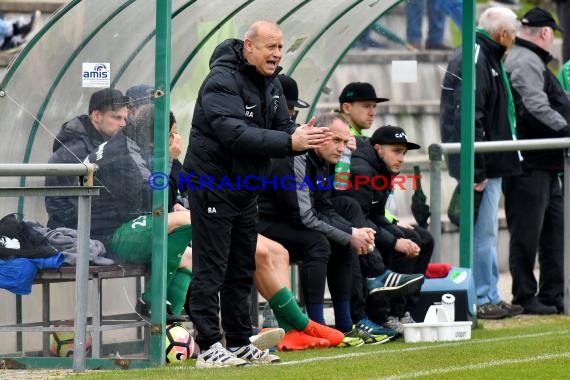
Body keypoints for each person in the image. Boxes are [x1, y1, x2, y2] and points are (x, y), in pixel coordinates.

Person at [181, 20, 327, 368]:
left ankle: (238, 341)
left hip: (246, 187)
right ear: (249, 47)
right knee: (212, 267)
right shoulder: (220, 81)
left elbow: (279, 128)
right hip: (212, 183)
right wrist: (289, 141)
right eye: (270, 47)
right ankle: (208, 346)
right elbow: (234, 133)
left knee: (241, 267)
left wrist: (300, 134)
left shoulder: (272, 83)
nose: (277, 54)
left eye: (280, 47)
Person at [258, 113, 424, 344]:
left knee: (341, 234)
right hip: (264, 224)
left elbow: (324, 206)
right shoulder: (298, 157)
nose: (342, 148)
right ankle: (316, 326)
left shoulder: (325, 161)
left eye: (345, 143)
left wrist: (353, 232)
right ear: (319, 134)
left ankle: (346, 325)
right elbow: (304, 215)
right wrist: (350, 234)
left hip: (290, 221)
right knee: (318, 243)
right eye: (336, 141)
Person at [440, 6, 524, 319]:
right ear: (503, 34)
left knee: (485, 231)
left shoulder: (484, 54)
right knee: (481, 233)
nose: (514, 39)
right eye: (513, 33)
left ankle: (488, 291)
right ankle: (480, 296)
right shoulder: (476, 57)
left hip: (488, 163)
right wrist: (474, 169)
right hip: (481, 165)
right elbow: (467, 115)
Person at [84, 104, 193, 322]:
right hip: (106, 238)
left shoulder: (132, 143)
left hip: (123, 228)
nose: (174, 139)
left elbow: (170, 194)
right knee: (188, 220)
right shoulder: (123, 154)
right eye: (171, 134)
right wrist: (170, 159)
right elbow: (156, 202)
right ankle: (152, 302)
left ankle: (168, 322)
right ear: (158, 135)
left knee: (191, 257)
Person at [503, 7, 569, 315]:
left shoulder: (527, 59)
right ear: (545, 34)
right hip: (530, 164)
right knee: (528, 232)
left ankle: (552, 294)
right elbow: (535, 106)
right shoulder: (525, 60)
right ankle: (525, 296)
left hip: (547, 163)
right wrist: (566, 130)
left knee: (554, 231)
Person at [345, 126, 434, 335]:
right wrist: (395, 242)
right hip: (347, 230)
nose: (401, 158)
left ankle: (401, 312)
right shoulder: (362, 170)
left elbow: (374, 213)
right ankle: (383, 316)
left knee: (414, 238)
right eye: (396, 151)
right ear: (378, 148)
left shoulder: (382, 168)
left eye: (403, 152)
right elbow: (359, 218)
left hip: (363, 224)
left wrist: (398, 236)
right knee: (398, 243)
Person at [45, 88, 130, 230]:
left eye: (125, 119)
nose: (123, 124)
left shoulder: (107, 145)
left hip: (98, 227)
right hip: (80, 234)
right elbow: (76, 207)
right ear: (96, 116)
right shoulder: (75, 152)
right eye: (116, 117)